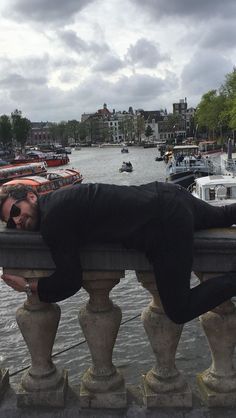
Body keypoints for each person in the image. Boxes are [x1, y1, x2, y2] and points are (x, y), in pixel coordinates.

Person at [1, 181, 236, 324]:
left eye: (15, 211)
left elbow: (70, 281)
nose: (17, 222)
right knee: (224, 215)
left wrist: (29, 287)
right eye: (11, 223)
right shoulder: (57, 201)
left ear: (31, 196)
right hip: (169, 194)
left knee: (179, 310)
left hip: (165, 223)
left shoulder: (52, 220)